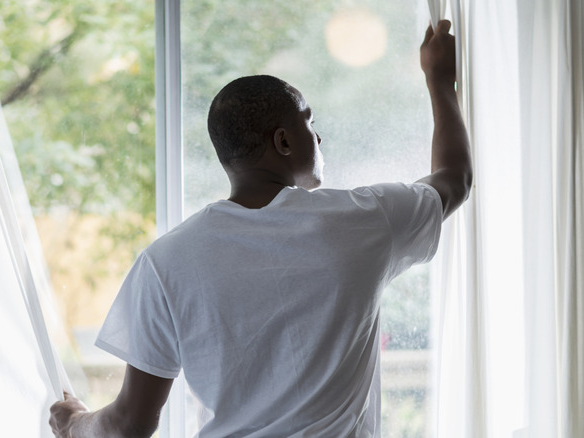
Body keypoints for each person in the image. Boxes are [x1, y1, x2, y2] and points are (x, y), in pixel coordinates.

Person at [49, 19, 471, 438]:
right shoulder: (363, 220)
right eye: (309, 121)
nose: (319, 137)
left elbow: (128, 426)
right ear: (284, 141)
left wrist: (72, 424)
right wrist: (439, 81)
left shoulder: (164, 262)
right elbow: (455, 179)